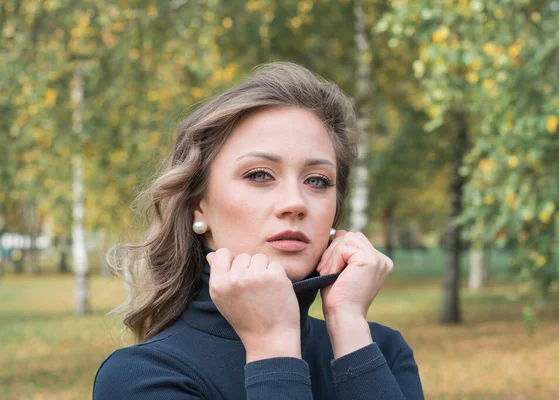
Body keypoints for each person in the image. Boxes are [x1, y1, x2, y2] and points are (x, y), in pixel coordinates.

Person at [93, 62, 424, 400]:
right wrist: (273, 348)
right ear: (198, 205)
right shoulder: (141, 378)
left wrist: (349, 327)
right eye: (260, 175)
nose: (295, 203)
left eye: (317, 181)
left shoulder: (381, 352)